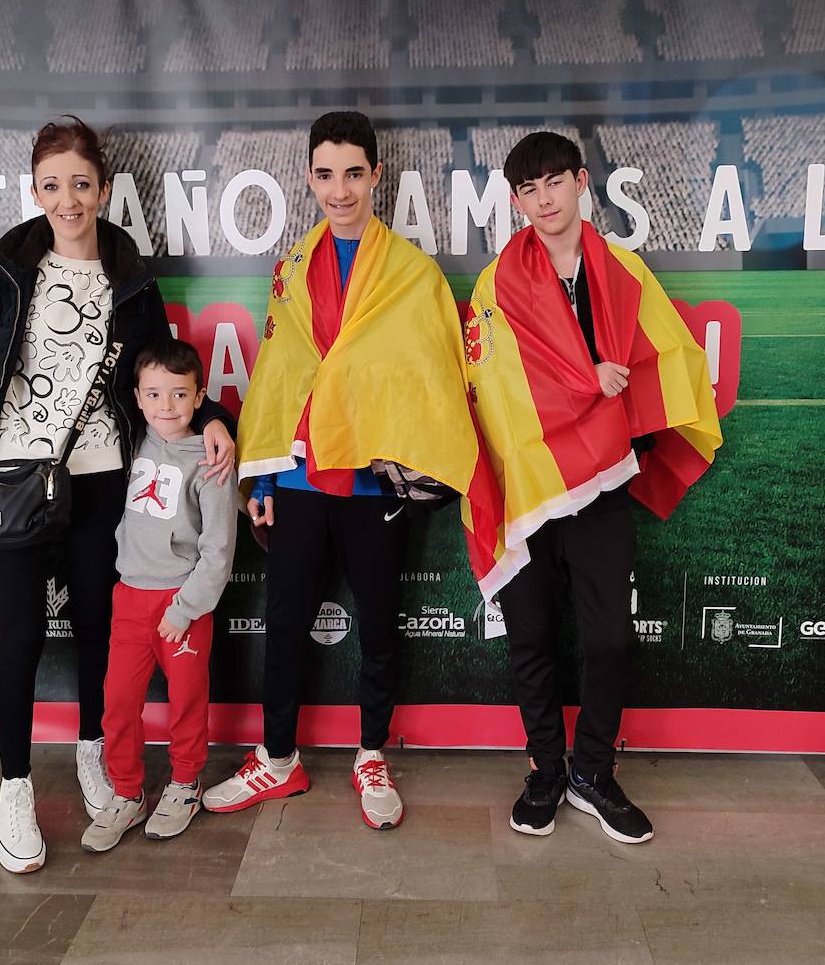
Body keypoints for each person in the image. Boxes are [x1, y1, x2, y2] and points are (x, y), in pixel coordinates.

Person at [0, 116, 236, 874]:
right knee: (24, 641)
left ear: (102, 188)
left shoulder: (130, 276)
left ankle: (95, 755)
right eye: (52, 185)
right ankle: (14, 787)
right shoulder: (5, 270)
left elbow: (168, 378)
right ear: (34, 190)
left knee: (102, 630)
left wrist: (219, 417)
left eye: (81, 183)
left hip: (106, 481)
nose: (67, 199)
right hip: (12, 480)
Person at [202, 111, 482, 830]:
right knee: (286, 620)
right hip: (298, 482)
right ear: (308, 177)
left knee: (380, 623)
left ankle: (370, 753)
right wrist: (261, 479)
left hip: (372, 484)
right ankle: (278, 757)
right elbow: (279, 376)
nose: (339, 189)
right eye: (325, 174)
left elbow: (431, 379)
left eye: (353, 173)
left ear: (376, 176)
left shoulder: (413, 274)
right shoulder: (292, 265)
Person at [462, 131, 722, 843]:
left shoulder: (625, 271)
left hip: (603, 483)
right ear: (515, 201)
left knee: (608, 638)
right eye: (528, 189)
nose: (544, 200)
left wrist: (616, 398)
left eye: (554, 182)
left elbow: (666, 354)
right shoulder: (496, 282)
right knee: (533, 636)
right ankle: (547, 768)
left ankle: (593, 771)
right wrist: (584, 382)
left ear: (581, 182)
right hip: (530, 488)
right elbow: (495, 385)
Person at [81, 339, 238, 852]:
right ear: (138, 398)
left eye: (178, 394)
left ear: (199, 398)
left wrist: (184, 608)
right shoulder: (129, 440)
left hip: (181, 607)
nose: (165, 406)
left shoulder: (212, 460)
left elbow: (218, 550)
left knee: (185, 703)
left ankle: (184, 785)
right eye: (153, 394)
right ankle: (126, 793)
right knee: (117, 704)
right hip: (128, 597)